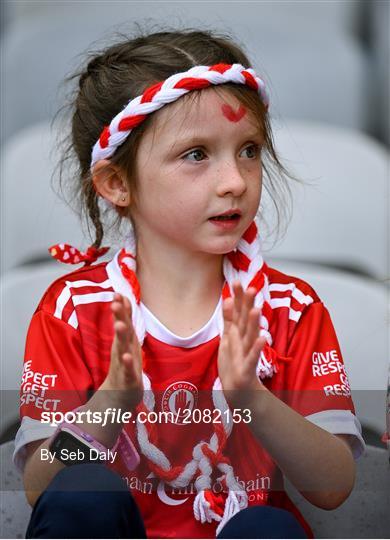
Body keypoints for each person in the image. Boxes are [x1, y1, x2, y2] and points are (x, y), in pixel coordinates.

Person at [14, 27, 366, 539]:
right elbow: (40, 486)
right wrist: (111, 399)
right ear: (116, 183)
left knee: (267, 528)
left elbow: (333, 486)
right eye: (196, 154)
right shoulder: (73, 309)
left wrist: (253, 401)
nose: (236, 181)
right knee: (81, 494)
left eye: (248, 150)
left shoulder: (289, 308)